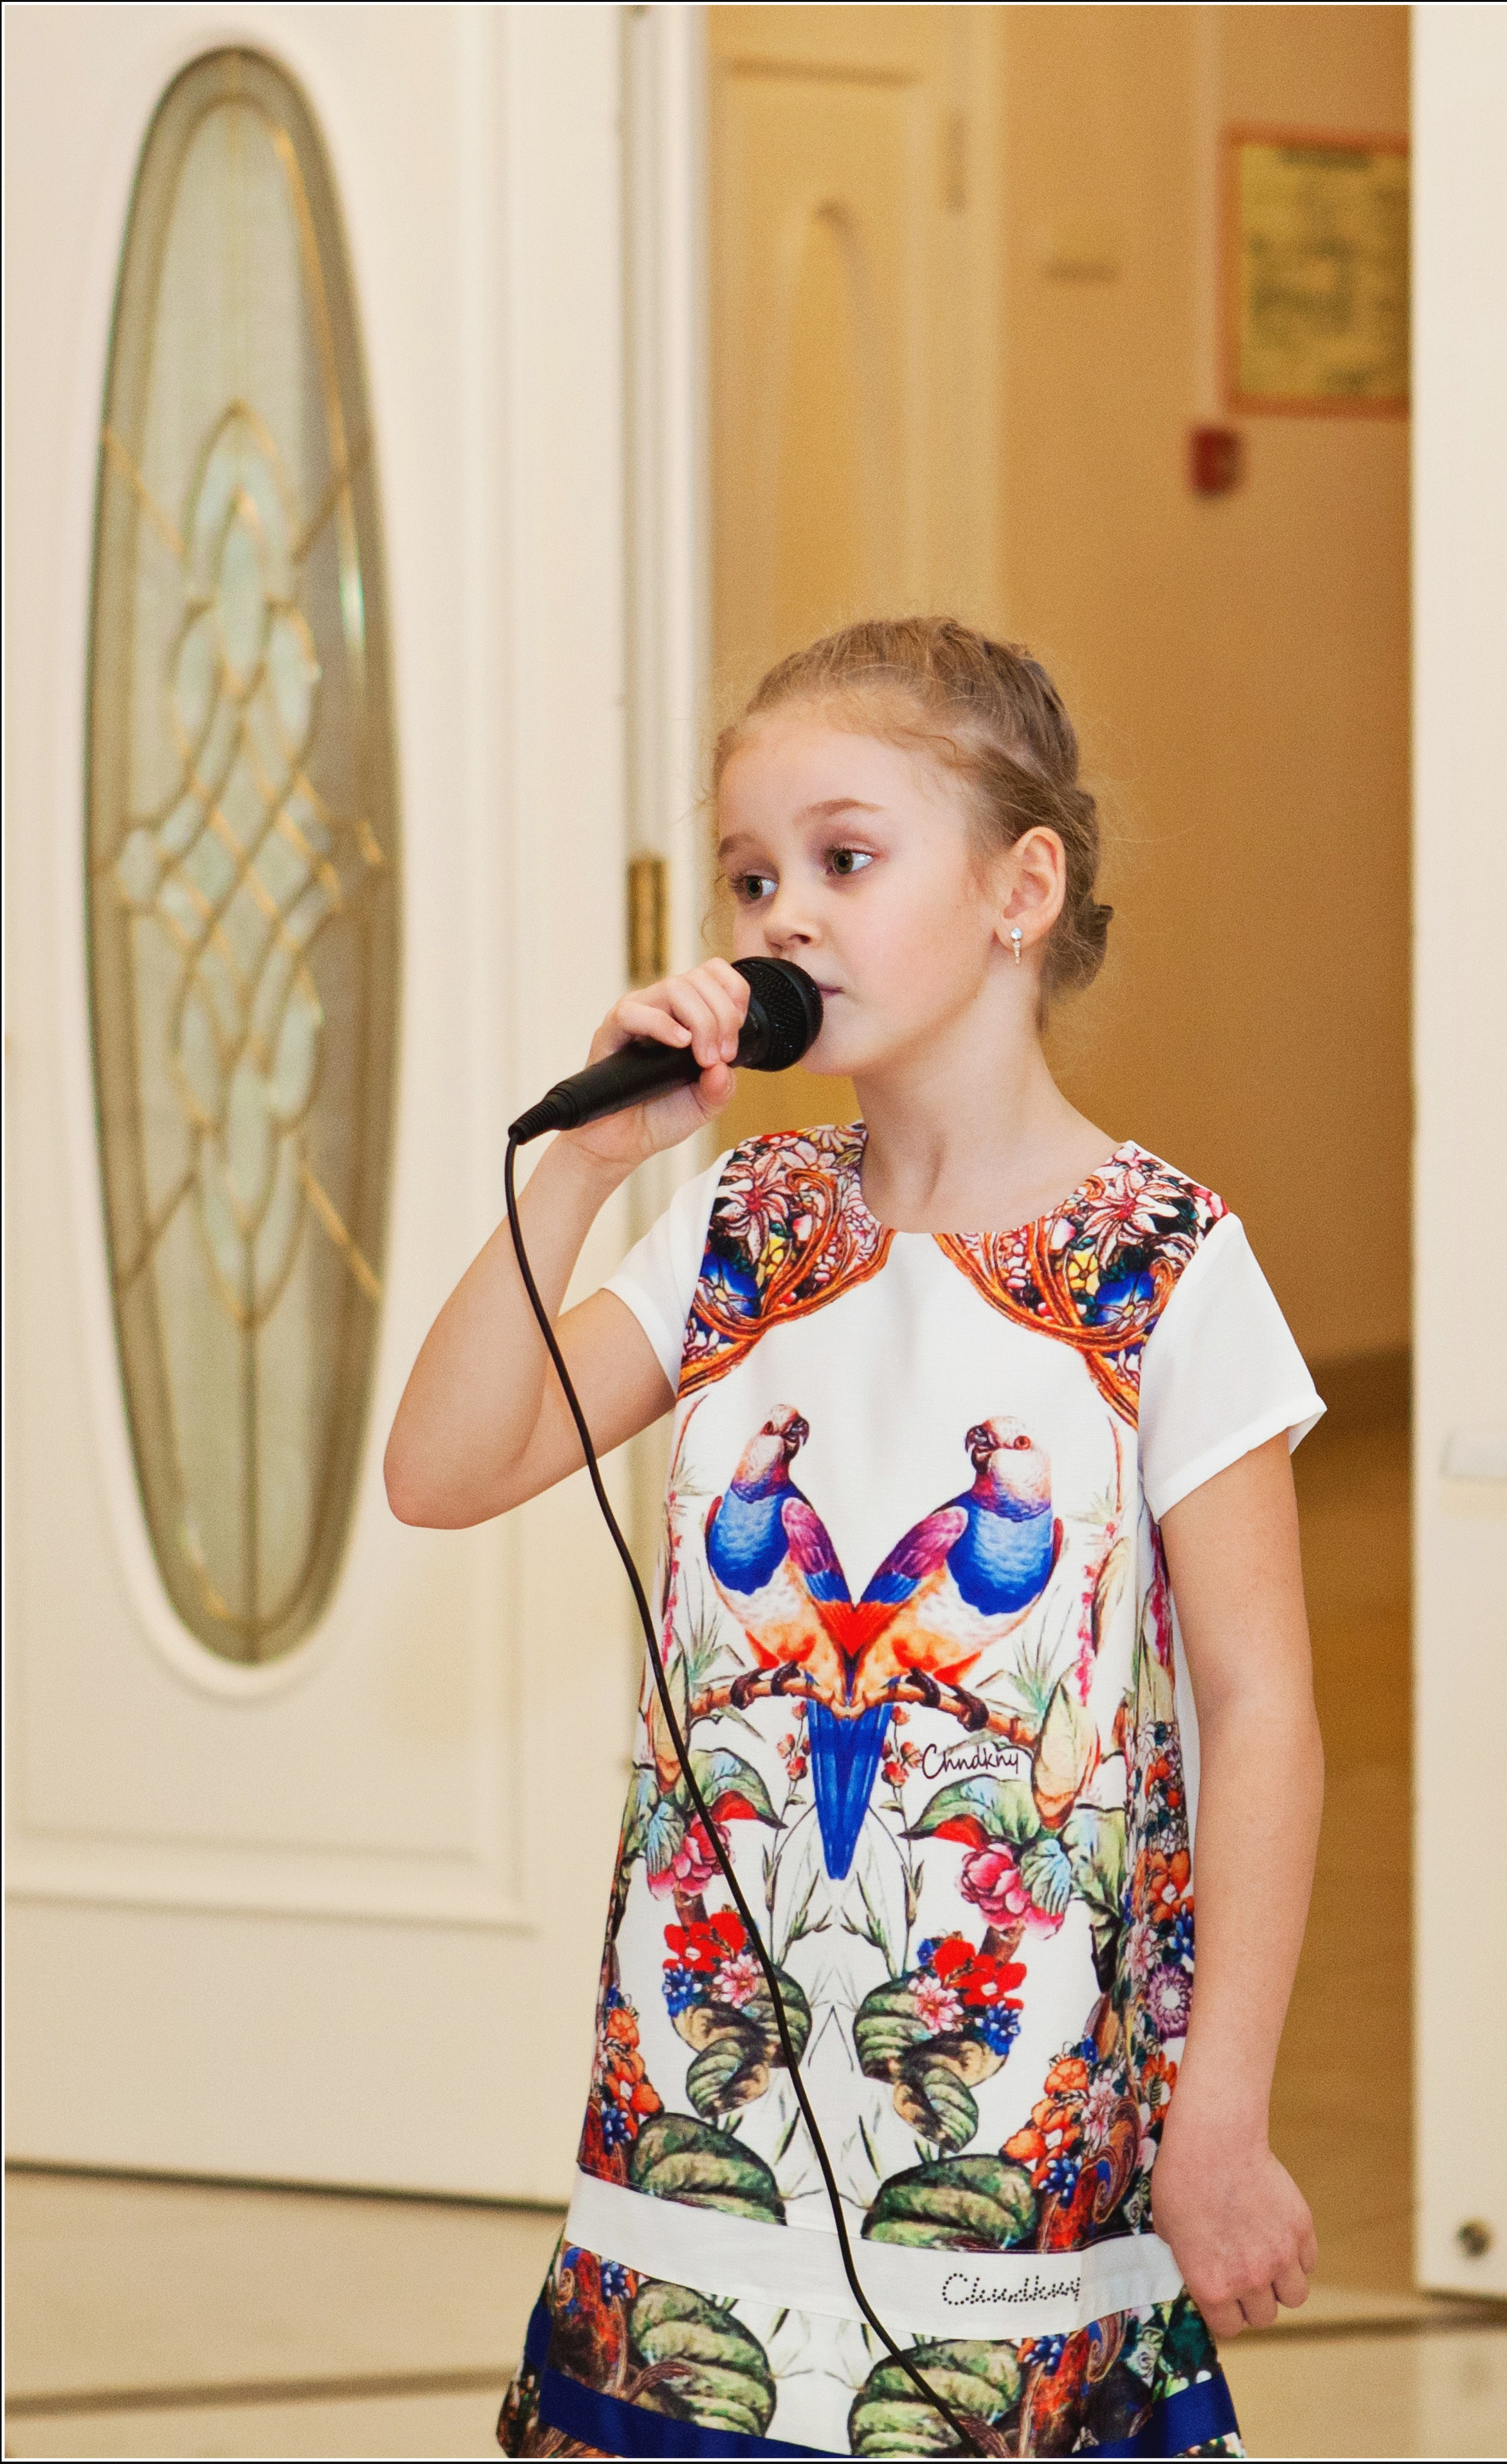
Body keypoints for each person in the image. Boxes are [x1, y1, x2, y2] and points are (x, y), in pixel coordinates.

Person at [386, 618, 1324, 2460]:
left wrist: (1222, 2102)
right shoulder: (742, 1227)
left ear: (1019, 888)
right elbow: (446, 1463)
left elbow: (1263, 1703)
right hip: (708, 2091)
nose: (782, 915)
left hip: (1015, 2104)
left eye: (845, 856)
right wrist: (590, 1160)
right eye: (753, 874)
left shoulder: (1162, 1266)